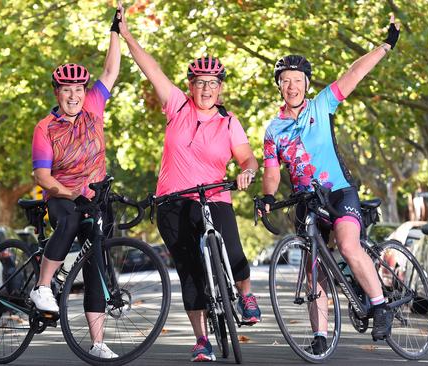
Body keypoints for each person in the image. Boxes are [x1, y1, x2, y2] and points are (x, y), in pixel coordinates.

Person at [116, 10, 260, 363]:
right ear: (190, 85)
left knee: (234, 249)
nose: (206, 89)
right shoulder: (177, 105)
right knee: (190, 269)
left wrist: (247, 172)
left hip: (214, 195)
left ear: (221, 87)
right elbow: (150, 67)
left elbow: (247, 158)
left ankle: (245, 293)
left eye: (213, 83)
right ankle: (201, 340)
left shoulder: (229, 122)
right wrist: (126, 34)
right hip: (173, 201)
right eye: (199, 82)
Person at [260, 16, 401, 355]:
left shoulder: (322, 105)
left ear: (306, 84)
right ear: (279, 85)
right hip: (306, 201)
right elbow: (272, 171)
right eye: (286, 81)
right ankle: (320, 334)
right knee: (314, 271)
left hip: (338, 192)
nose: (292, 86)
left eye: (298, 80)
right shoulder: (272, 130)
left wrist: (385, 45)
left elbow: (354, 73)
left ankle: (380, 305)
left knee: (348, 245)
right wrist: (266, 196)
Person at [28, 3, 123, 359]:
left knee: (96, 261)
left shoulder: (94, 106)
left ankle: (98, 343)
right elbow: (41, 174)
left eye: (78, 89)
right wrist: (64, 191)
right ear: (57, 93)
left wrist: (116, 29)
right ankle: (42, 285)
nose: (73, 95)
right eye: (66, 90)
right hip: (61, 194)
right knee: (67, 219)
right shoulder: (45, 128)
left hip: (94, 196)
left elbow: (111, 69)